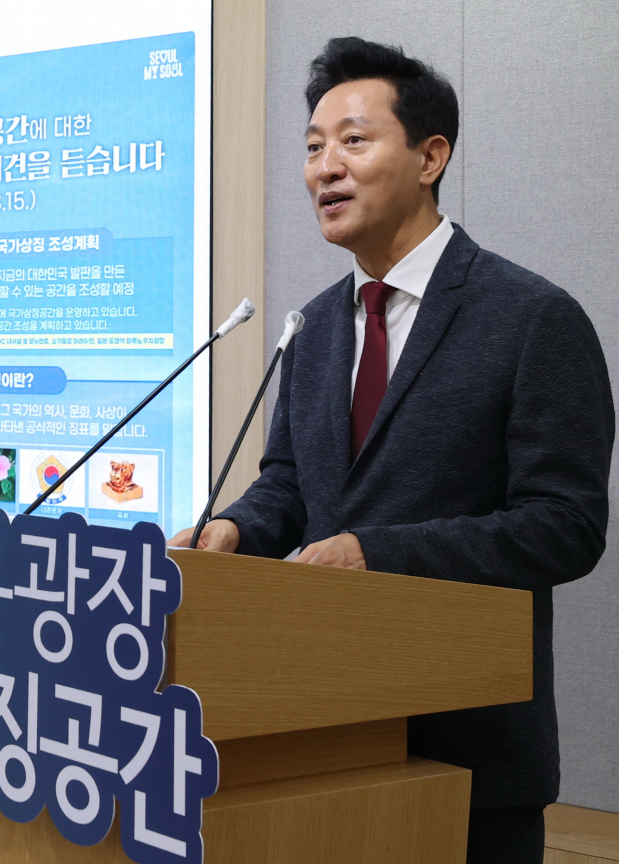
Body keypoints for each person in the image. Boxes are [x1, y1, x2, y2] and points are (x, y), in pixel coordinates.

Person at [171, 37, 613, 864]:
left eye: (353, 140)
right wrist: (234, 530)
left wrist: (375, 555)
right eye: (311, 147)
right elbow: (289, 487)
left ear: (429, 156)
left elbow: (566, 526)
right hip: (317, 732)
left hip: (468, 747)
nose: (324, 167)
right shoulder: (311, 326)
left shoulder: (531, 319)